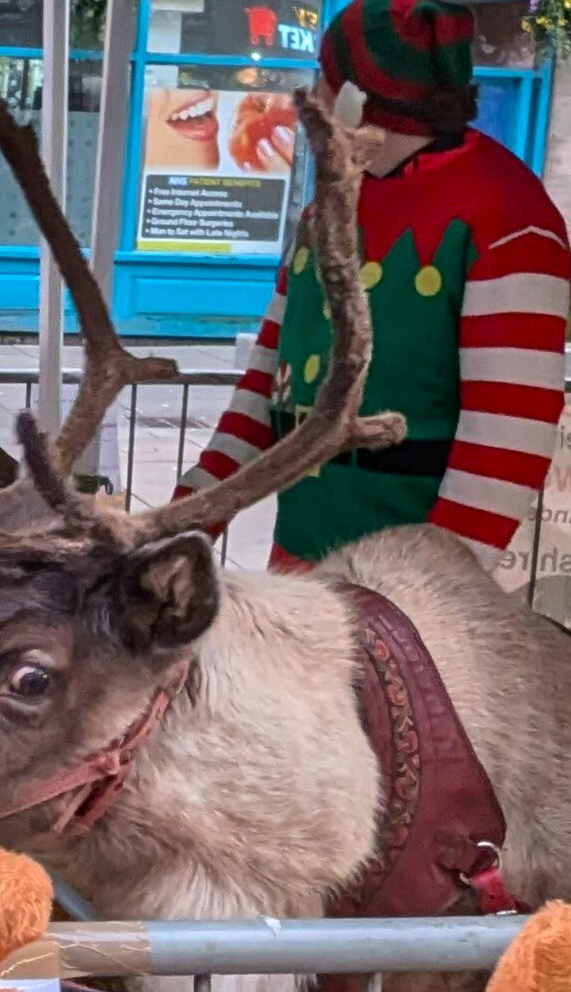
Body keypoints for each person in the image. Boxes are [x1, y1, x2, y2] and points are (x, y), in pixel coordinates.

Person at [175, 0, 571, 576]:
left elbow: (506, 441)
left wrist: (425, 595)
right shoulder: (330, 206)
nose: (311, 92)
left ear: (354, 99)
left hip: (413, 596)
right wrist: (186, 521)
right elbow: (267, 383)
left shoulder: (508, 215)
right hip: (301, 572)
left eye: (323, 78)